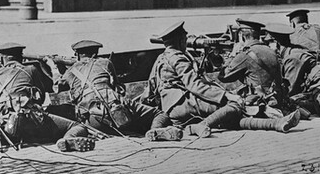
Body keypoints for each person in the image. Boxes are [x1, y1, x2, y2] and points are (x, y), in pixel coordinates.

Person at [144, 21, 301, 138]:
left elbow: (150, 89)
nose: (187, 39)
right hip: (184, 104)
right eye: (184, 36)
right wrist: (226, 95)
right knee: (236, 105)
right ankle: (199, 126)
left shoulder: (161, 58)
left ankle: (277, 124)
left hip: (172, 109)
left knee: (230, 119)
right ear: (179, 40)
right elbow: (195, 86)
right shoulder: (178, 58)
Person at [0, 42, 95, 152]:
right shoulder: (30, 70)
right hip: (27, 120)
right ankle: (68, 140)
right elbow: (40, 98)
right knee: (76, 127)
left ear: (2, 58)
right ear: (21, 57)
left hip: (2, 126)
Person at [58, 39, 182, 141]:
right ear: (95, 53)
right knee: (159, 114)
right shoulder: (105, 62)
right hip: (116, 108)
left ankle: (69, 138)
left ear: (78, 55)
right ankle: (155, 131)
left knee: (80, 126)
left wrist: (56, 66)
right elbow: (116, 85)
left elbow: (59, 86)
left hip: (91, 117)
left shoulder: (70, 71)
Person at [217, 17, 283, 107]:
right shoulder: (271, 51)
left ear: (242, 35)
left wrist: (232, 55)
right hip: (276, 98)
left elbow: (223, 77)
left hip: (258, 102)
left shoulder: (246, 54)